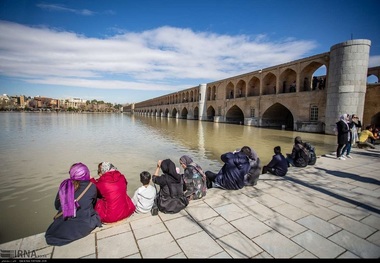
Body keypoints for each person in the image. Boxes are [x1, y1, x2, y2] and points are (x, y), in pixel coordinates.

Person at [45, 162, 101, 246]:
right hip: (84, 225)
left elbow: (57, 206)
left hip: (59, 229)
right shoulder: (92, 186)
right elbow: (93, 203)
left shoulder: (65, 186)